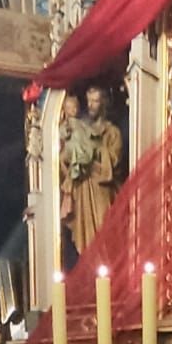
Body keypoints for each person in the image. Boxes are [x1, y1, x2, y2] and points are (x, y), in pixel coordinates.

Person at [59, 85, 123, 256]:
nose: (91, 106)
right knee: (85, 238)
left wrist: (96, 150)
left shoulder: (112, 132)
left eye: (95, 101)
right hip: (83, 188)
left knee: (105, 232)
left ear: (104, 103)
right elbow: (66, 156)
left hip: (102, 189)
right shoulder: (79, 129)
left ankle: (106, 266)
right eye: (89, 101)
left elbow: (115, 161)